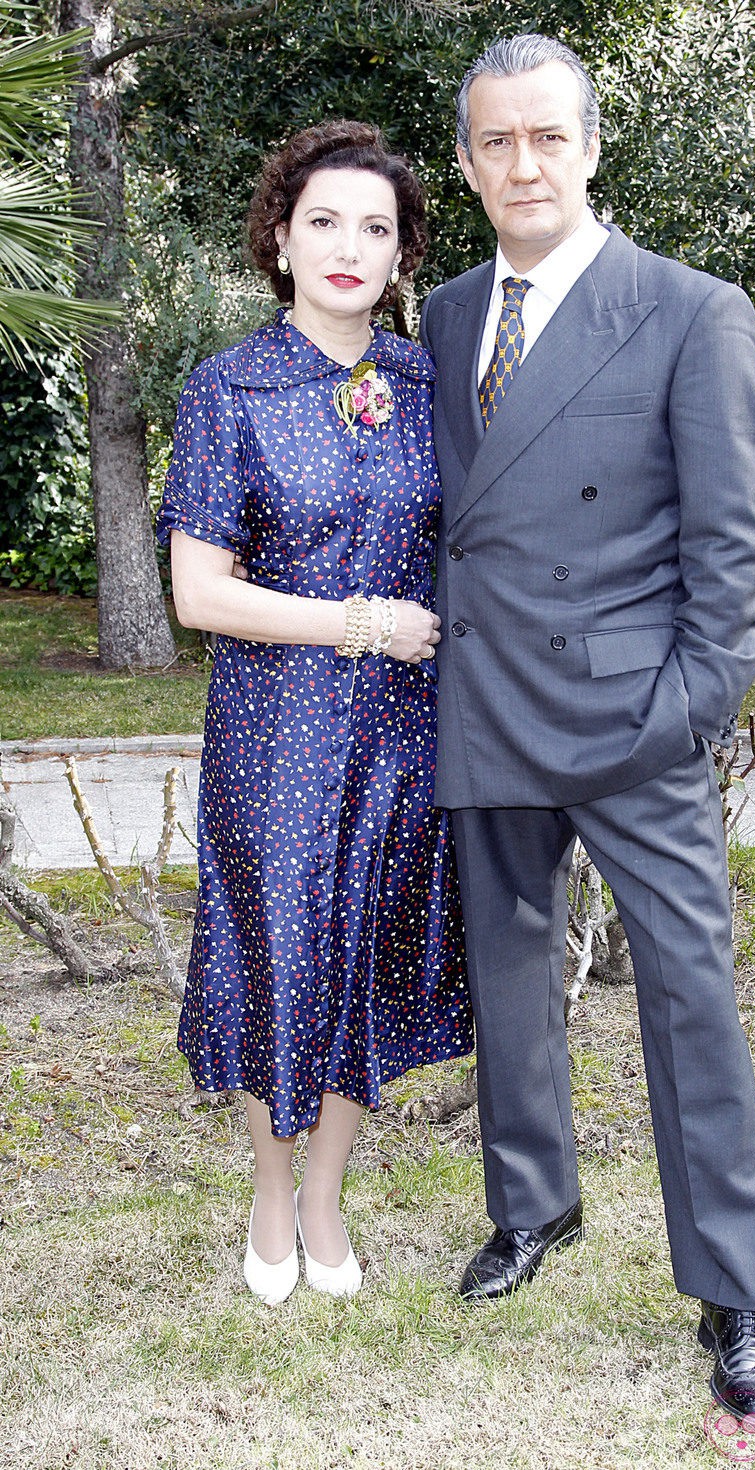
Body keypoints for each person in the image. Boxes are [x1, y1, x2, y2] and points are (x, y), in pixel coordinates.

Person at [420, 35, 755, 1424]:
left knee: (690, 1000)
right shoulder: (451, 313)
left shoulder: (690, 309)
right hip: (489, 699)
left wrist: (684, 712)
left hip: (634, 717)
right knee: (507, 976)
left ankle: (736, 1290)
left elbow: (735, 544)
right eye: (495, 143)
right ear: (466, 163)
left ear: (591, 147)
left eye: (547, 139)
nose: (524, 165)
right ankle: (535, 1208)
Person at [158, 120, 472, 1307]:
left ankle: (326, 1199)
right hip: (273, 731)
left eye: (376, 229)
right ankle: (267, 1193)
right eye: (325, 221)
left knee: (366, 964)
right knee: (274, 959)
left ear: (401, 259)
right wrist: (358, 622)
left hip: (404, 732)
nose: (350, 246)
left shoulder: (426, 385)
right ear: (280, 239)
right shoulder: (227, 387)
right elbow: (200, 593)